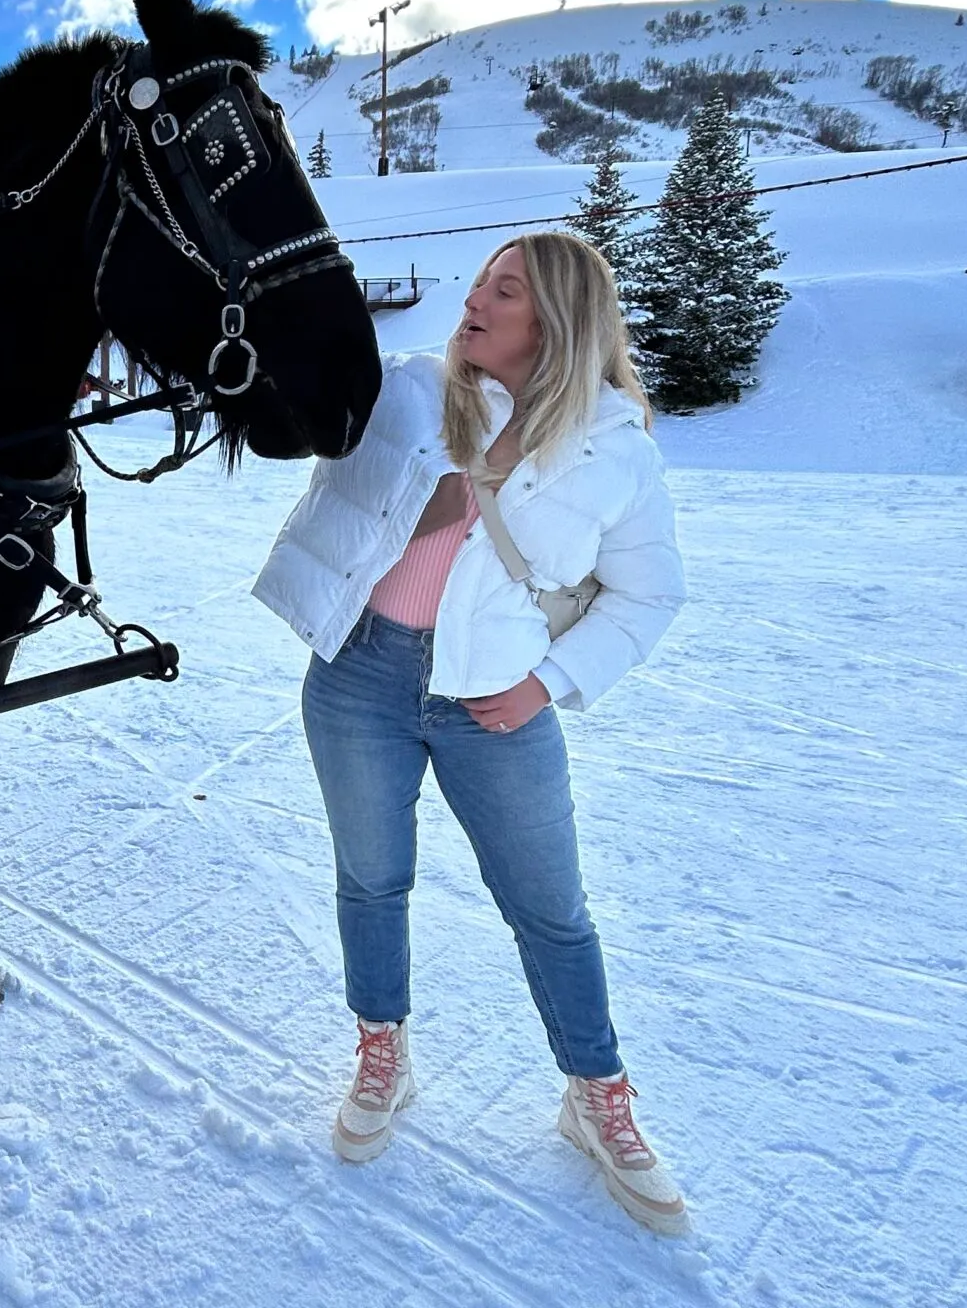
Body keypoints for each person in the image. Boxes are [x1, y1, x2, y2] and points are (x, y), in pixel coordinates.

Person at [253, 233, 690, 1235]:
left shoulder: (615, 447)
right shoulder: (406, 390)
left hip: (497, 699)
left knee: (551, 911)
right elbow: (294, 414)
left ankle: (596, 1096)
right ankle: (382, 1050)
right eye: (481, 282)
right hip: (358, 677)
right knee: (371, 879)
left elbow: (650, 593)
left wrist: (551, 683)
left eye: (506, 292)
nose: (475, 301)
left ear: (558, 324)